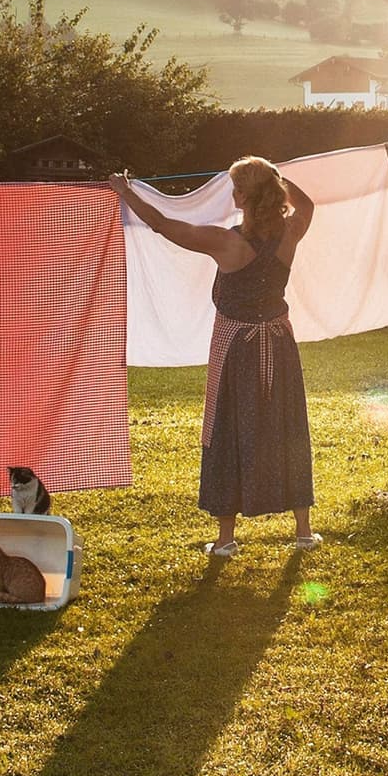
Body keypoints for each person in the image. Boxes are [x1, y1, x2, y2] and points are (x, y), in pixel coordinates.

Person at [115, 156, 319, 558]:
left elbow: (162, 225)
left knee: (228, 431)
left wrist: (124, 191)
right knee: (287, 427)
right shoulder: (289, 233)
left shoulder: (226, 242)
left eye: (236, 187)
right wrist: (276, 176)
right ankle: (302, 531)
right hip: (278, 345)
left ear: (243, 196)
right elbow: (307, 206)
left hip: (238, 351)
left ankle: (226, 539)